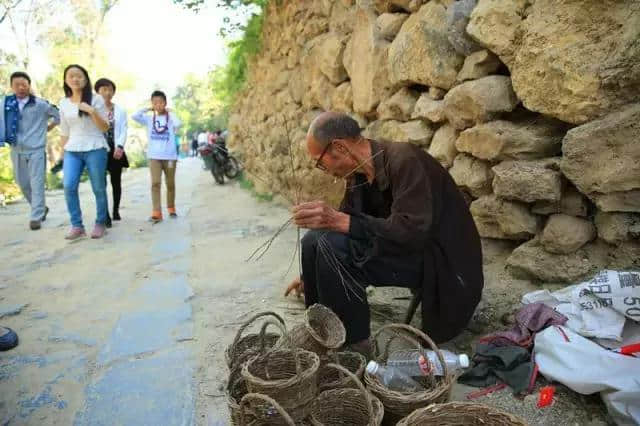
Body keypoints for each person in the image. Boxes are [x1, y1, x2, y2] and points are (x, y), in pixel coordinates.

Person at [285, 112, 484, 353]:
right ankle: (324, 332)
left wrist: (341, 221)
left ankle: (355, 347)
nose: (322, 169)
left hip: (441, 263)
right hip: (405, 250)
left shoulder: (405, 160)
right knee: (315, 240)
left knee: (334, 247)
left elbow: (412, 232)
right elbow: (341, 224)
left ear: (338, 147)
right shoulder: (358, 175)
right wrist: (310, 274)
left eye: (320, 161)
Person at [0, 71, 60, 230]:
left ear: (29, 86)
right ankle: (40, 207)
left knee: (37, 181)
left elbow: (58, 115)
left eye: (24, 85)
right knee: (22, 182)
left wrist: (49, 127)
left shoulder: (40, 104)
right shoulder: (5, 103)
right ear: (11, 86)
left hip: (36, 149)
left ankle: (36, 216)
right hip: (16, 148)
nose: (20, 88)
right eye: (17, 85)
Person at [59, 64, 110, 240]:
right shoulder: (64, 103)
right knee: (68, 185)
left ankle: (101, 222)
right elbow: (64, 131)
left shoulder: (96, 100)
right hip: (72, 149)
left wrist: (92, 111)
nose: (75, 79)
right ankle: (77, 225)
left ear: (86, 79)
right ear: (66, 80)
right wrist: (61, 153)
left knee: (98, 187)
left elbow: (105, 127)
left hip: (95, 146)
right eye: (71, 76)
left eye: (79, 76)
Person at [132, 90, 182, 223]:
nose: (158, 105)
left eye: (160, 102)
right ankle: (157, 212)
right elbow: (134, 116)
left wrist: (170, 112)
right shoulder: (149, 119)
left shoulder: (171, 118)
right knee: (155, 183)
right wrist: (147, 108)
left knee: (170, 183)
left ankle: (171, 208)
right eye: (155, 103)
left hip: (170, 156)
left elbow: (178, 124)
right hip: (154, 156)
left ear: (165, 103)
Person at [94, 78, 128, 227]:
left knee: (116, 182)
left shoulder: (119, 110)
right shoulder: (93, 110)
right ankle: (105, 214)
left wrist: (120, 146)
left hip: (115, 150)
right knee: (100, 184)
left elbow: (123, 129)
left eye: (110, 90)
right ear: (97, 92)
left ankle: (115, 210)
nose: (107, 93)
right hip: (99, 150)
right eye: (103, 89)